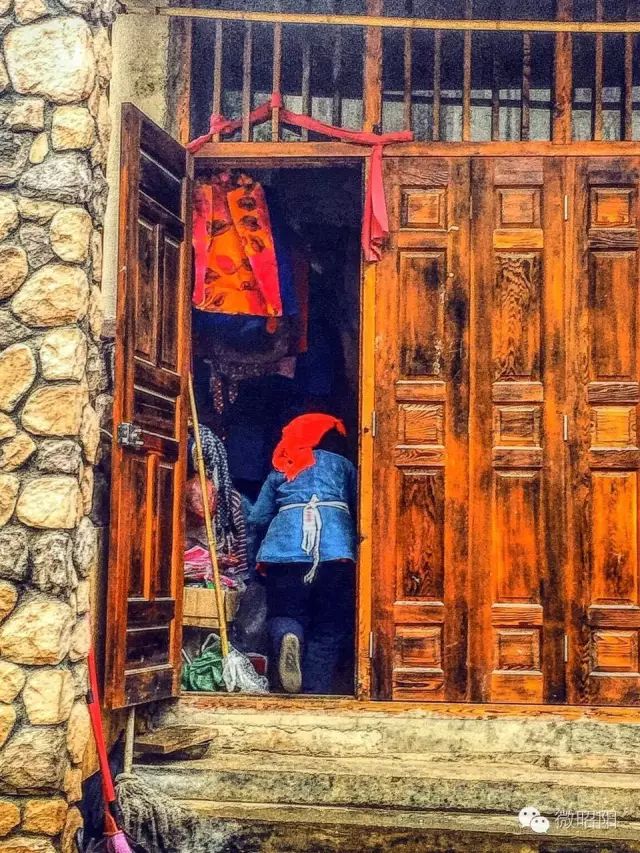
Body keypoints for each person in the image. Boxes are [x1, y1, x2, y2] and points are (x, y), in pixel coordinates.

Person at [249, 414, 357, 694]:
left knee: (286, 611)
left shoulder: (283, 468)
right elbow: (363, 509)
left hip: (283, 557)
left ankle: (288, 635)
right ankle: (314, 691)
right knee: (330, 625)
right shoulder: (344, 466)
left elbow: (258, 517)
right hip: (335, 555)